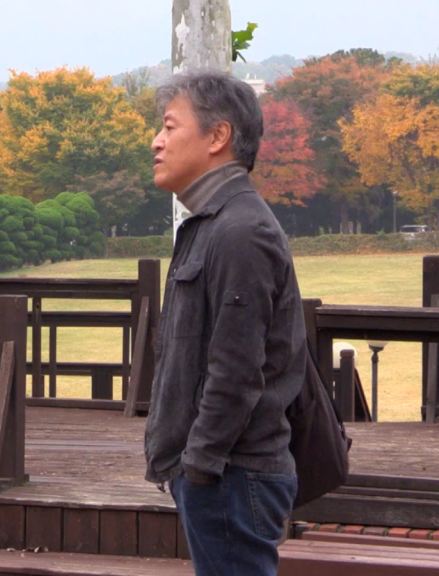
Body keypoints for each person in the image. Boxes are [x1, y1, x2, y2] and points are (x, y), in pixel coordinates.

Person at [143, 70, 307, 576]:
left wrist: (200, 464)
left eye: (170, 127)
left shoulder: (240, 230)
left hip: (232, 474)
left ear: (218, 136)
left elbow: (236, 368)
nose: (156, 141)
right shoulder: (212, 223)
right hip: (221, 473)